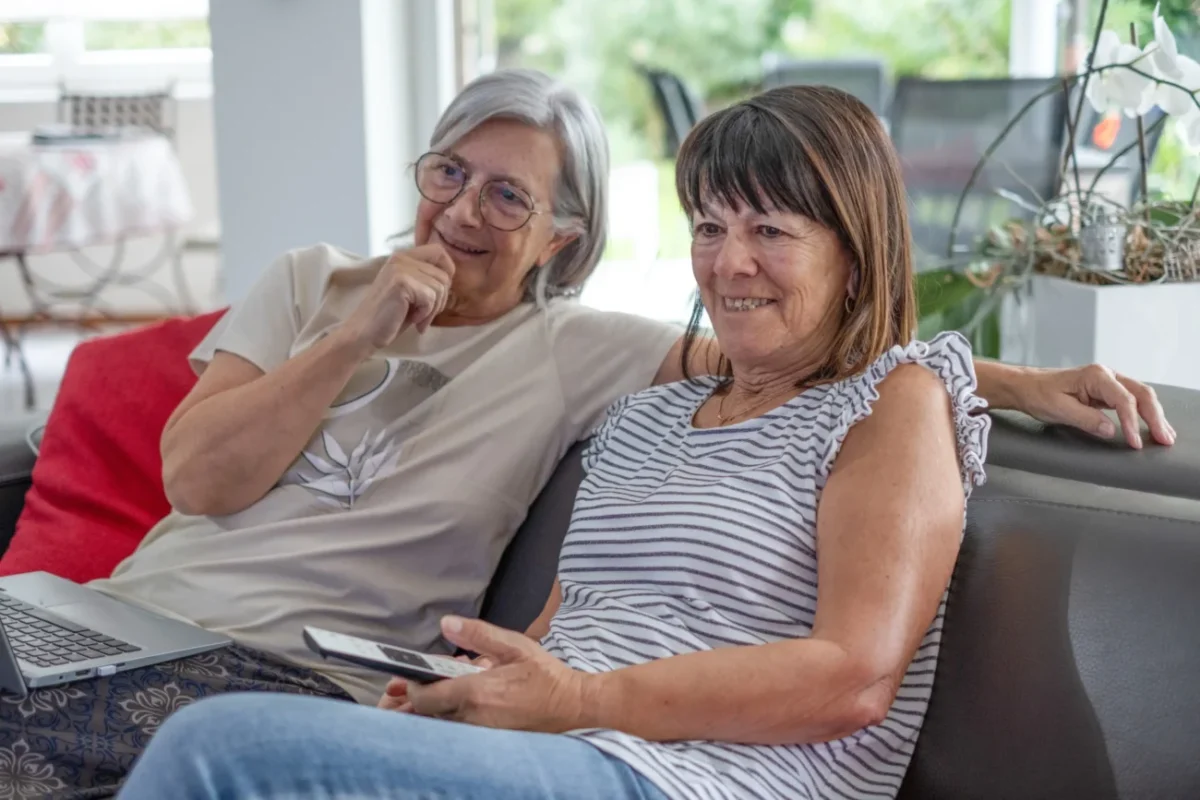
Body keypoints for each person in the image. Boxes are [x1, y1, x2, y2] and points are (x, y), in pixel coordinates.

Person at [0, 71, 1173, 798]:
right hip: (554, 741)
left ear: (856, 250)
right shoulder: (648, 410)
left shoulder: (893, 397)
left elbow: (853, 675)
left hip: (680, 770)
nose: (729, 262)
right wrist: (464, 692)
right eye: (709, 226)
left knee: (217, 752)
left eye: (770, 229)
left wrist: (1014, 378)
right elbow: (560, 632)